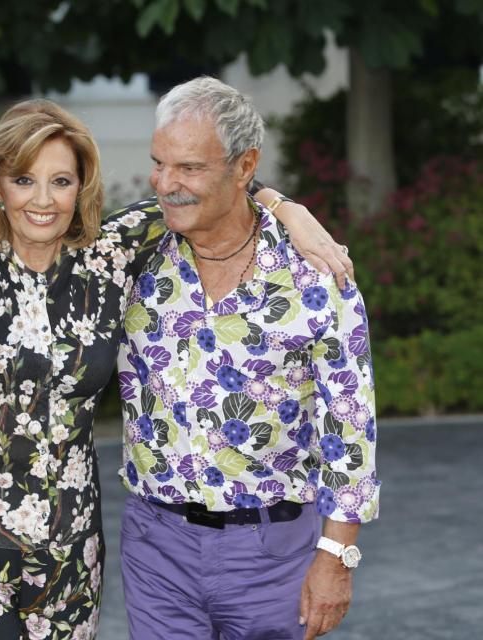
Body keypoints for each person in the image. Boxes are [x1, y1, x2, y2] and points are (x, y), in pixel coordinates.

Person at [0, 98, 349, 639]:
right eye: (23, 179)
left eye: (61, 181)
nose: (42, 199)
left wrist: (287, 209)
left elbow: (212, 186)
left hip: (71, 552)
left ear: (82, 187)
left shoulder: (110, 253)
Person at [116, 76, 378, 640]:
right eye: (159, 163)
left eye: (188, 167)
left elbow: (350, 428)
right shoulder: (132, 251)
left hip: (274, 553)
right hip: (156, 546)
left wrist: (337, 555)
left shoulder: (316, 273)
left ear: (243, 166)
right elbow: (35, 222)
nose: (166, 184)